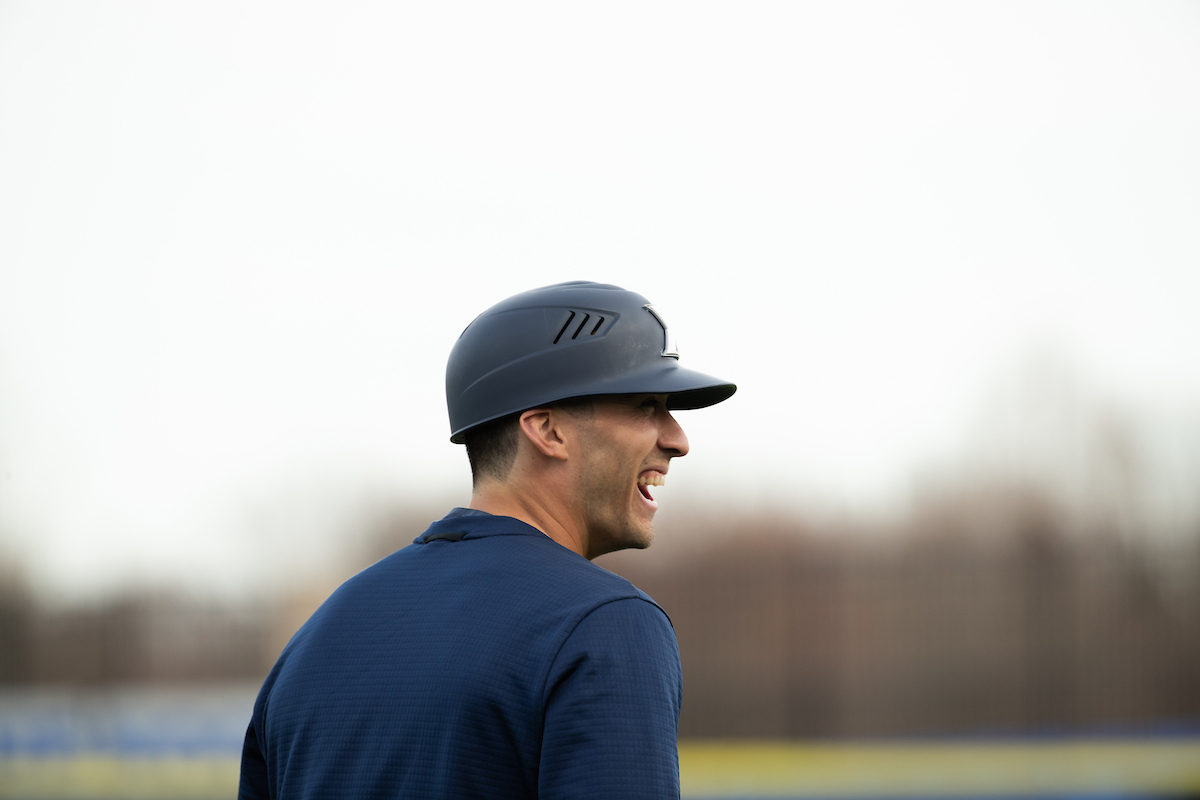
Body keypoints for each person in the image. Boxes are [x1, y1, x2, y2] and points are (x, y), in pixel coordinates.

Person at [238, 281, 735, 799]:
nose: (677, 438)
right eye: (647, 405)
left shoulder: (317, 639)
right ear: (547, 430)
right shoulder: (604, 624)